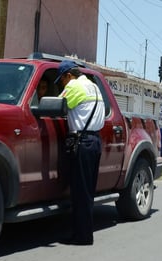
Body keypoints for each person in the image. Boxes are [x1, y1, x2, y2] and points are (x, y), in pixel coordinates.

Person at [55, 60, 105, 245]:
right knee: (87, 192)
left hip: (82, 142)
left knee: (80, 192)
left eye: (62, 80)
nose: (62, 84)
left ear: (69, 75)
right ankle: (84, 233)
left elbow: (58, 105)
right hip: (94, 141)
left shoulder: (75, 85)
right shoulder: (93, 86)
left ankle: (82, 236)